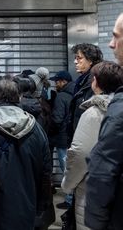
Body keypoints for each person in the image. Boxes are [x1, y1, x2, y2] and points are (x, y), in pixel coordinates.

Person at [0, 79, 52, 230]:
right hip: (28, 205)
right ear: (19, 98)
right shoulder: (37, 129)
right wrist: (42, 206)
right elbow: (45, 172)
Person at [61, 61, 123, 230]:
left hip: (92, 189)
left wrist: (67, 184)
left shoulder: (94, 113)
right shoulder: (119, 107)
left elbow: (80, 154)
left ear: (95, 81)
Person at [85, 13, 123, 230]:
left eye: (116, 36)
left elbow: (102, 170)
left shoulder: (118, 110)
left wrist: (95, 223)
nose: (111, 44)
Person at [48, 70, 75, 209]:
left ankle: (70, 201)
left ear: (64, 82)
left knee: (66, 170)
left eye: (57, 81)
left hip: (62, 139)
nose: (55, 84)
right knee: (71, 170)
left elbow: (57, 119)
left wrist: (49, 131)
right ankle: (72, 199)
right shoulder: (76, 92)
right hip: (72, 137)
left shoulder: (62, 96)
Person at [69, 43, 103, 139]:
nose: (75, 62)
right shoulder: (81, 81)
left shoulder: (96, 82)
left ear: (90, 60)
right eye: (75, 58)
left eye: (79, 58)